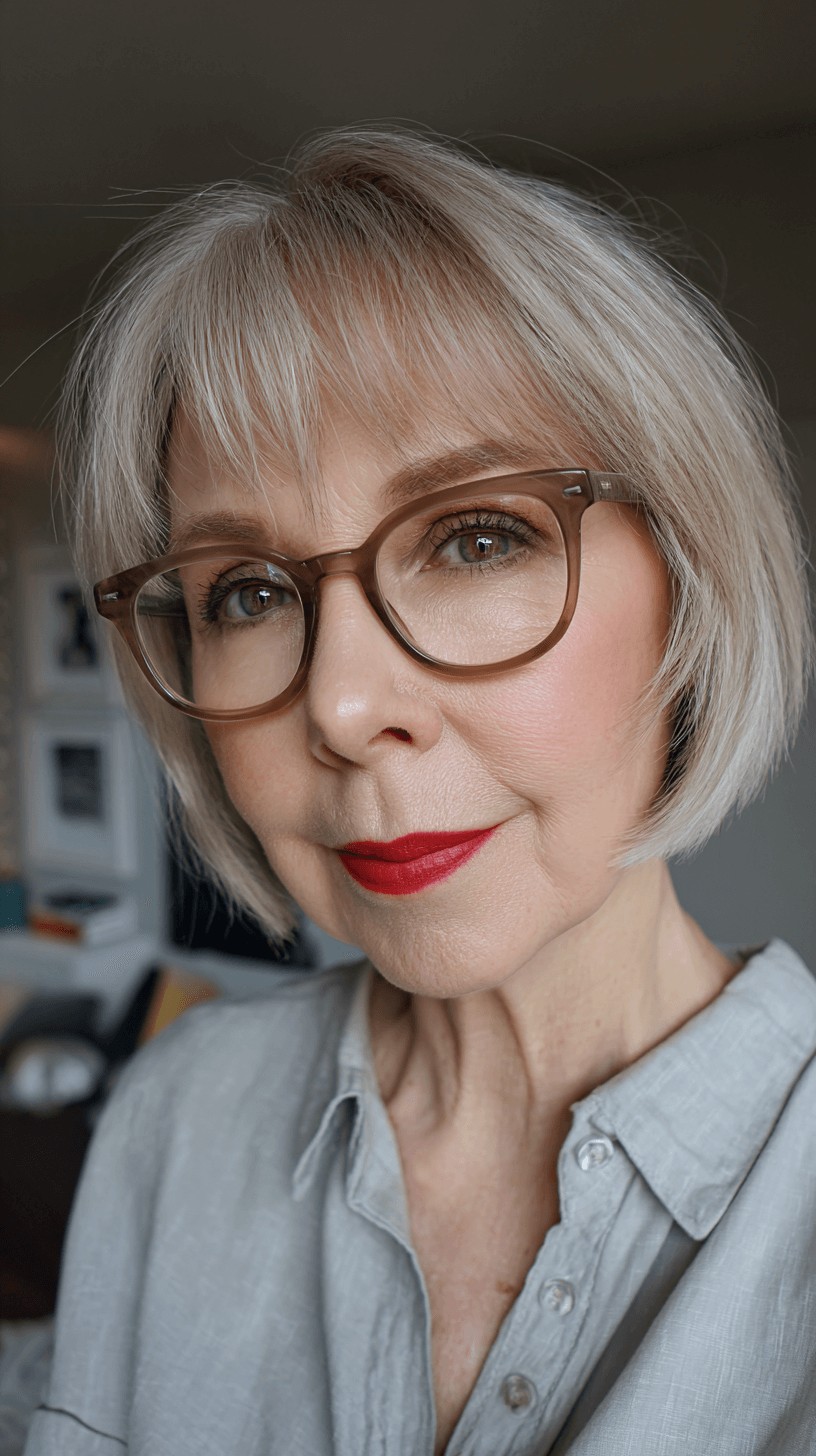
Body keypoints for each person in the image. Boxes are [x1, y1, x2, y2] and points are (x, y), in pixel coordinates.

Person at [24, 126, 816, 1456]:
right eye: (252, 593)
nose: (338, 704)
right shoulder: (179, 1115)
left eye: (475, 536)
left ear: (690, 581)